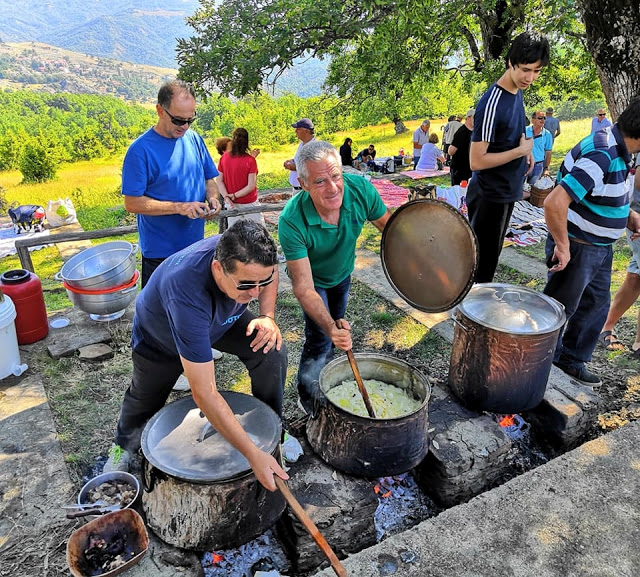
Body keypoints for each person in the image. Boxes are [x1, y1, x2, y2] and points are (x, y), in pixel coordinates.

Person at [103, 220, 289, 492]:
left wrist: (267, 316)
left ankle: (273, 431)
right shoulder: (185, 292)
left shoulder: (246, 259)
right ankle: (122, 448)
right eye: (247, 285)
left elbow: (268, 276)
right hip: (161, 336)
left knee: (270, 349)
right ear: (218, 268)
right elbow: (205, 393)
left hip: (221, 321)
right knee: (144, 398)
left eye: (264, 281)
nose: (255, 293)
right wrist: (251, 455)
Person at [278, 140, 392, 413]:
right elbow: (304, 288)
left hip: (342, 273)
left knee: (336, 327)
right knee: (321, 337)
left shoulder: (360, 190)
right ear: (303, 184)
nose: (332, 188)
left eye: (336, 176)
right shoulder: (292, 220)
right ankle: (308, 396)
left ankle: (328, 379)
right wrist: (329, 328)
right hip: (314, 282)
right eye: (319, 181)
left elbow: (391, 229)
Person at [543, 97, 640, 386]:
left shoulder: (623, 148)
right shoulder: (603, 152)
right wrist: (562, 246)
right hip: (578, 244)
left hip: (599, 246)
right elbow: (553, 203)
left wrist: (627, 215)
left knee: (596, 305)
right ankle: (539, 364)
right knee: (560, 308)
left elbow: (600, 193)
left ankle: (570, 362)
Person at [121, 80, 222, 288]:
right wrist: (180, 207)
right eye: (178, 120)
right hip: (160, 254)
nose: (184, 126)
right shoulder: (140, 151)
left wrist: (213, 199)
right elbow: (132, 203)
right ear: (160, 110)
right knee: (159, 316)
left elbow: (208, 178)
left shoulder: (194, 139)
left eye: (190, 120)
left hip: (195, 247)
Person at [467, 32, 550, 283]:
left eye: (536, 71)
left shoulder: (517, 91)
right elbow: (476, 161)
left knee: (489, 265)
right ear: (510, 63)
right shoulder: (492, 102)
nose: (531, 78)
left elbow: (510, 132)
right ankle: (467, 320)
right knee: (479, 272)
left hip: (507, 192)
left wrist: (524, 148)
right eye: (526, 70)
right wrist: (519, 152)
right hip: (489, 195)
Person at [598, 159, 640, 355]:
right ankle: (639, 344)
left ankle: (606, 326)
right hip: (637, 217)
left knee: (636, 276)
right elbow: (638, 180)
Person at [216, 127, 265, 228]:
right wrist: (234, 195)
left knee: (235, 238)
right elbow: (251, 186)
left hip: (231, 204)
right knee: (259, 234)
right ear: (247, 142)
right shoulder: (250, 160)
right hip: (249, 203)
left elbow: (219, 181)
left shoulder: (224, 158)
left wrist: (227, 196)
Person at [283, 118, 315, 193]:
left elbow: (310, 167)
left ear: (306, 131)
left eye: (298, 129)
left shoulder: (313, 147)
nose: (296, 131)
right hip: (297, 189)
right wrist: (291, 161)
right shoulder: (302, 143)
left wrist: (293, 166)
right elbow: (300, 160)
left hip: (304, 190)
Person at [524, 110, 554, 186]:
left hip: (538, 166)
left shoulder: (547, 134)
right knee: (519, 188)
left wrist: (546, 168)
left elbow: (548, 152)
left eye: (544, 118)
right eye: (540, 118)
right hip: (524, 164)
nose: (543, 120)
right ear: (533, 120)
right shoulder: (525, 130)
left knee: (534, 188)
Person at [449, 109, 475, 186]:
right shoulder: (461, 132)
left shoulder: (476, 132)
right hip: (459, 168)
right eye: (475, 117)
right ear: (468, 118)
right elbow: (451, 151)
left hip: (471, 167)